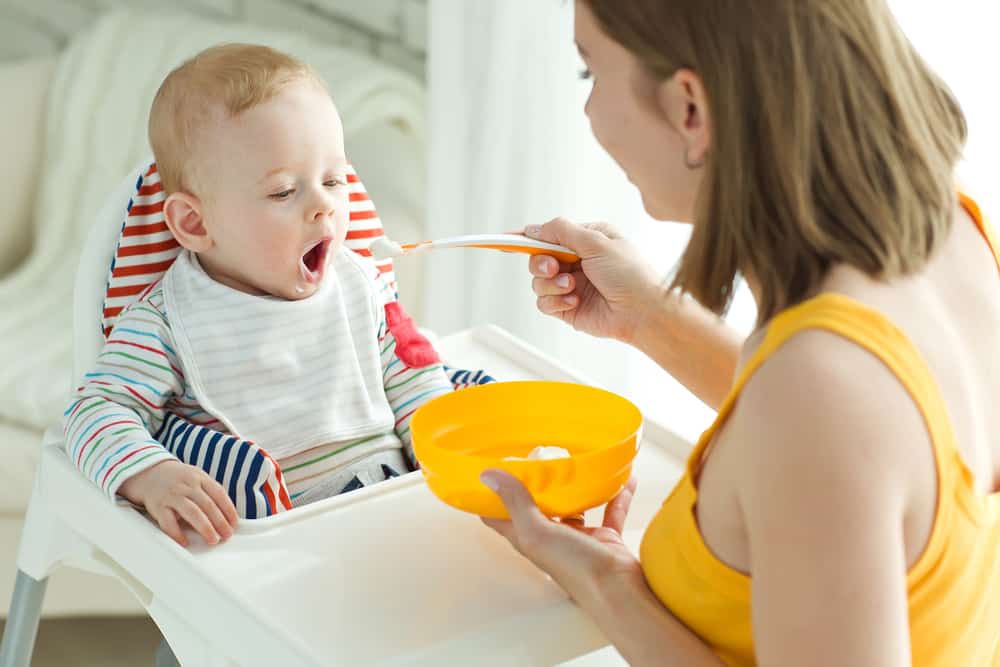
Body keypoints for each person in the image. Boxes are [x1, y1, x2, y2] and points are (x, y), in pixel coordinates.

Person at [479, 1, 1000, 665]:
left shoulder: (819, 392)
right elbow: (857, 452)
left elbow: (827, 421)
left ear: (690, 107)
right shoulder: (957, 224)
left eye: (592, 76)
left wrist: (605, 582)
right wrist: (649, 316)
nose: (590, 116)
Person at [63, 44, 453, 547]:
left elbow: (412, 373)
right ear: (195, 222)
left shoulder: (360, 285)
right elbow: (94, 410)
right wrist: (151, 474)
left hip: (393, 512)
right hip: (273, 551)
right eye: (283, 192)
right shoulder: (167, 324)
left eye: (334, 180)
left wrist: (441, 445)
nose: (323, 207)